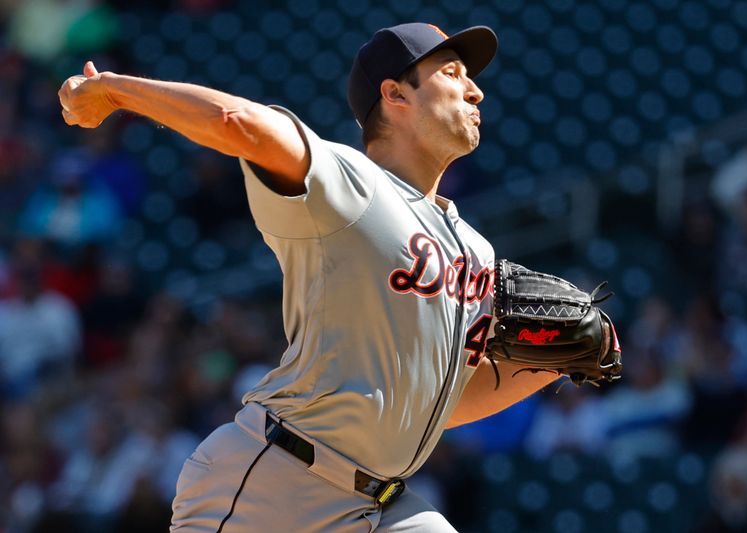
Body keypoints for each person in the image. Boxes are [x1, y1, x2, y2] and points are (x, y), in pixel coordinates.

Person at [59, 22, 560, 532]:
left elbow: (438, 402)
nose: (475, 89)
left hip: (382, 503)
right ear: (394, 94)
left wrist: (553, 365)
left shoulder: (477, 249)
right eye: (452, 73)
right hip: (278, 481)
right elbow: (235, 121)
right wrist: (112, 90)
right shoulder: (350, 182)